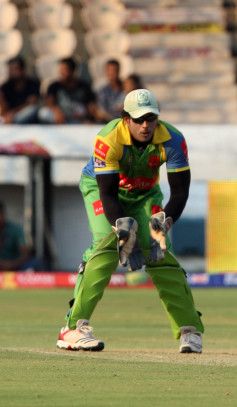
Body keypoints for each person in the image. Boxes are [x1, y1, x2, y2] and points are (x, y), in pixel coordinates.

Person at [56, 89, 204, 353]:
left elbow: (180, 192)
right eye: (138, 119)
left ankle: (189, 329)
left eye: (151, 118)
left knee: (159, 250)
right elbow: (109, 194)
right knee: (108, 245)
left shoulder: (173, 139)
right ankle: (72, 329)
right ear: (126, 119)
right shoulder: (108, 139)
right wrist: (123, 229)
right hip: (102, 190)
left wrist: (165, 223)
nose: (146, 125)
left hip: (145, 192)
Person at [38, 57, 98, 124]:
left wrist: (88, 115)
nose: (61, 72)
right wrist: (56, 111)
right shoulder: (54, 86)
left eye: (64, 69)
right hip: (61, 117)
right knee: (44, 113)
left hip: (78, 117)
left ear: (72, 71)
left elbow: (91, 106)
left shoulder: (84, 87)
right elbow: (49, 103)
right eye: (60, 69)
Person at [0, 56, 40, 124]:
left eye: (14, 69)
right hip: (8, 118)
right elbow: (4, 110)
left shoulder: (33, 84)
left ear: (22, 70)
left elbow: (32, 104)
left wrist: (12, 113)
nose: (11, 72)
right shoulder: (5, 86)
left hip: (23, 117)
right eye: (10, 69)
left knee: (32, 110)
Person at [0, 201, 37, 271]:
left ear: (3, 214)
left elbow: (25, 253)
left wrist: (12, 264)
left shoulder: (15, 229)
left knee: (33, 264)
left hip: (14, 266)